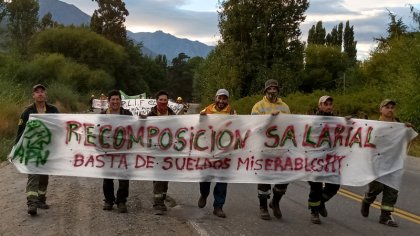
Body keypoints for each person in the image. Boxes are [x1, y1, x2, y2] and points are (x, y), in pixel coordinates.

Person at [360, 99, 413, 227]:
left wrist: (408, 129)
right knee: (377, 187)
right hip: (378, 161)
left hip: (394, 162)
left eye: (392, 107)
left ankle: (385, 216)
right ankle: (367, 200)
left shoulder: (399, 125)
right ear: (381, 109)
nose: (390, 109)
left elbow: (406, 140)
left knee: (392, 189)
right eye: (387, 107)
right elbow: (366, 141)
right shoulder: (374, 125)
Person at [15, 84, 59, 216]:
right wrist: (16, 149)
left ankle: (41, 199)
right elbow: (20, 132)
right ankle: (32, 203)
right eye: (37, 92)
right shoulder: (27, 111)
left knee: (44, 176)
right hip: (32, 150)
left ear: (45, 95)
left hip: (47, 150)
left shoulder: (53, 110)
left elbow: (60, 128)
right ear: (33, 95)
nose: (40, 94)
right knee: (33, 175)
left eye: (42, 91)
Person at [251, 79, 290, 220]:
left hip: (280, 149)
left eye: (275, 88)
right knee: (264, 179)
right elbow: (255, 127)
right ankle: (263, 207)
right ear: (265, 90)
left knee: (284, 179)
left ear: (278, 90)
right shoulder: (258, 106)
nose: (272, 91)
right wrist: (269, 119)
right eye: (270, 88)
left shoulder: (285, 107)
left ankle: (275, 202)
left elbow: (290, 126)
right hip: (264, 149)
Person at [198, 89, 236, 218]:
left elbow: (237, 129)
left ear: (227, 100)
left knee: (222, 180)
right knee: (204, 178)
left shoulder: (232, 113)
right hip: (208, 151)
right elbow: (198, 129)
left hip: (224, 152)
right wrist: (201, 120)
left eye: (224, 98)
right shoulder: (205, 111)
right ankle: (204, 194)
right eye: (219, 98)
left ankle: (218, 206)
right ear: (215, 98)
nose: (221, 101)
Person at [307, 95, 341, 224]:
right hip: (314, 159)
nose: (328, 106)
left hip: (331, 160)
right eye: (325, 104)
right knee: (316, 186)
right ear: (319, 106)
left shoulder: (337, 120)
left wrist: (348, 122)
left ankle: (320, 203)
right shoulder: (313, 120)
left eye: (330, 104)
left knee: (334, 185)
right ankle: (314, 212)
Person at [101, 90, 133, 213]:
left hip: (124, 152)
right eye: (112, 100)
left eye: (117, 99)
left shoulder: (127, 114)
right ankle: (108, 200)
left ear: (120, 101)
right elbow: (96, 132)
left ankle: (121, 201)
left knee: (124, 178)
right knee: (107, 177)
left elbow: (136, 126)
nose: (115, 102)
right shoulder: (102, 115)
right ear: (108, 101)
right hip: (107, 152)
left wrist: (143, 120)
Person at [147, 90, 176, 215]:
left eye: (165, 100)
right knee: (158, 176)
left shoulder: (173, 115)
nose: (163, 102)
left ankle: (162, 198)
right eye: (161, 100)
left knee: (165, 177)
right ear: (156, 101)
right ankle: (157, 203)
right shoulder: (151, 115)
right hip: (155, 151)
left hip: (169, 151)